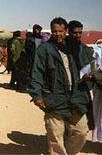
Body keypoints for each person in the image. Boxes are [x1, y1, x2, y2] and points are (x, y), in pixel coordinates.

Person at [28, 17, 92, 155]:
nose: (58, 34)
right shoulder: (45, 50)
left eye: (61, 31)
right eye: (54, 31)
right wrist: (37, 95)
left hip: (75, 99)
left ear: (66, 31)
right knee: (55, 139)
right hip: (54, 99)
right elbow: (36, 72)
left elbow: (89, 64)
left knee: (81, 132)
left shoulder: (75, 48)